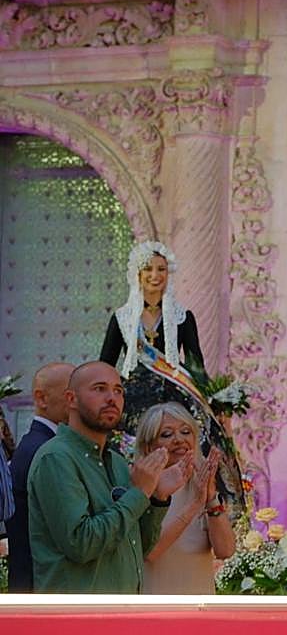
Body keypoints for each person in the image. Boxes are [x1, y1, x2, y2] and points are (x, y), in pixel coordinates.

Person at [98, 240, 243, 516]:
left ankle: (203, 506)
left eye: (161, 269)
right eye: (148, 269)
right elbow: (105, 363)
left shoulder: (182, 317)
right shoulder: (122, 318)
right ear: (137, 274)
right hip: (135, 399)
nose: (155, 275)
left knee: (201, 437)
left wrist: (214, 399)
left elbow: (195, 363)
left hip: (175, 391)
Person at [26, 361, 191, 592]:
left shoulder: (118, 463)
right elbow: (81, 544)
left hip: (122, 614)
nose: (112, 398)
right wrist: (139, 493)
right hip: (78, 619)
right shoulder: (55, 458)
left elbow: (137, 546)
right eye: (99, 388)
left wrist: (157, 498)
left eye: (118, 390)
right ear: (71, 399)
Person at [136, 401, 236, 593]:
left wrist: (211, 497)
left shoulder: (201, 485)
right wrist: (194, 505)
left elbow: (225, 551)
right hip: (155, 605)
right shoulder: (140, 488)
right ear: (148, 447)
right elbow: (151, 552)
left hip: (199, 607)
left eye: (185, 432)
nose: (179, 440)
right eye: (167, 434)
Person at [6, 361, 73, 592]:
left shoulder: (42, 444)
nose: (79, 402)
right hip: (40, 587)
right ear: (42, 398)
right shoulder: (44, 451)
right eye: (69, 394)